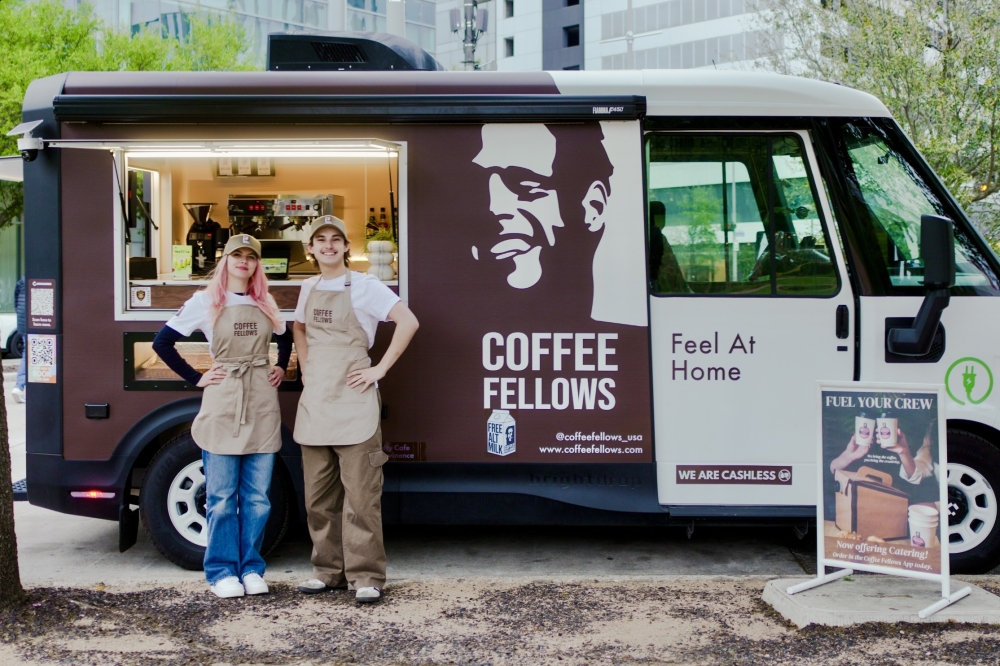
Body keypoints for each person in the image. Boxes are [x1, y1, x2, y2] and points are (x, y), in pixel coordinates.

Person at [151, 234, 292, 599]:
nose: (243, 261)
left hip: (261, 400)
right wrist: (196, 377)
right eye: (237, 255)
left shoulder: (265, 302)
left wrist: (279, 366)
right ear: (226, 260)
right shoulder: (205, 301)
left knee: (258, 498)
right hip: (224, 398)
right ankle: (221, 571)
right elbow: (162, 343)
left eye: (250, 256)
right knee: (222, 497)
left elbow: (285, 336)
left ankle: (251, 568)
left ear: (257, 264)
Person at [293, 215, 418, 604]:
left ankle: (366, 576)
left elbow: (408, 321)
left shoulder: (366, 286)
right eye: (321, 240)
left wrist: (380, 369)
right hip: (317, 401)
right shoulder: (308, 287)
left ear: (347, 247)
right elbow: (299, 328)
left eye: (336, 239)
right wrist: (307, 368)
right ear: (310, 249)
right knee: (318, 497)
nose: (328, 245)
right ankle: (326, 571)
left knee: (362, 497)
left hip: (354, 401)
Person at [11, 275, 25, 404]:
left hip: (23, 321)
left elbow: (16, 301)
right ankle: (20, 386)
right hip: (38, 322)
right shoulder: (44, 277)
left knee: (28, 354)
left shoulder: (22, 280)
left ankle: (20, 386)